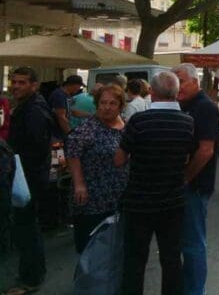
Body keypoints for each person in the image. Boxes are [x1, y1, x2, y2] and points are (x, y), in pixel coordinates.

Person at [115, 71, 194, 295]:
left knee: (135, 258)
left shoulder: (139, 121)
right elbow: (186, 158)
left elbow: (119, 160)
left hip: (139, 201)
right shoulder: (187, 122)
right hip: (172, 200)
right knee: (171, 258)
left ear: (152, 92)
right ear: (176, 93)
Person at [4, 67, 53, 294]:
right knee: (25, 229)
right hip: (26, 175)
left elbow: (34, 147)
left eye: (22, 82)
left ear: (34, 85)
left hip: (28, 178)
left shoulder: (34, 110)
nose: (16, 86)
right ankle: (30, 274)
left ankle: (31, 278)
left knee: (27, 229)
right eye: (14, 82)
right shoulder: (27, 107)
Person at [172, 63, 219, 295]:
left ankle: (195, 291)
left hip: (195, 186)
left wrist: (186, 178)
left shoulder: (205, 107)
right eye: (174, 81)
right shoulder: (181, 105)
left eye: (181, 81)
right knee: (183, 243)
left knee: (192, 244)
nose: (177, 86)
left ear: (195, 82)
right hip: (183, 186)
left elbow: (206, 150)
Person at [65, 85, 128, 253]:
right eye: (103, 103)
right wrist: (79, 184)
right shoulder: (88, 128)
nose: (107, 107)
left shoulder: (126, 127)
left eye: (112, 103)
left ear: (121, 106)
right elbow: (72, 153)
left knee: (117, 247)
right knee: (91, 248)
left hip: (119, 195)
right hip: (92, 197)